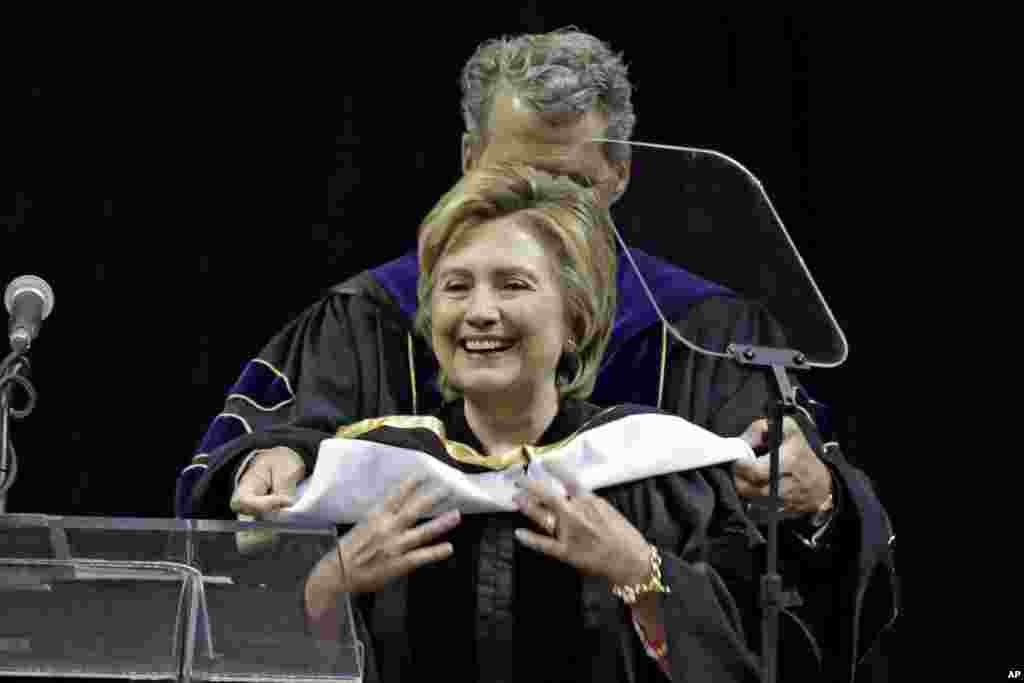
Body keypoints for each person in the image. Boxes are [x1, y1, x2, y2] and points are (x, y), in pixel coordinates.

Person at [178, 29, 896, 681]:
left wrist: (815, 496)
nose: (542, 211)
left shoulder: (705, 330)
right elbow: (238, 538)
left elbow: (777, 604)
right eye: (513, 178)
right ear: (468, 161)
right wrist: (271, 464)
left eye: (572, 187)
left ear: (619, 173)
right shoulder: (370, 315)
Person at [191, 165, 762, 681]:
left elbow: (750, 660)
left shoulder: (658, 470)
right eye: (456, 287)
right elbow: (237, 652)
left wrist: (640, 571)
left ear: (575, 321)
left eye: (513, 285)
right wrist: (329, 585)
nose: (480, 312)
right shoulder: (366, 471)